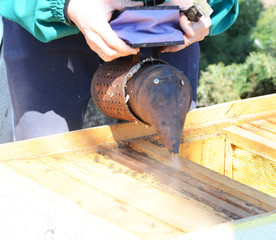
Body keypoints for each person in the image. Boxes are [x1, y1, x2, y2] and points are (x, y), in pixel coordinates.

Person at [0, 0, 238, 141]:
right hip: (52, 21)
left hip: (165, 19)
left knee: (173, 163)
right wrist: (63, 5)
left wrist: (202, 4)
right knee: (45, 168)